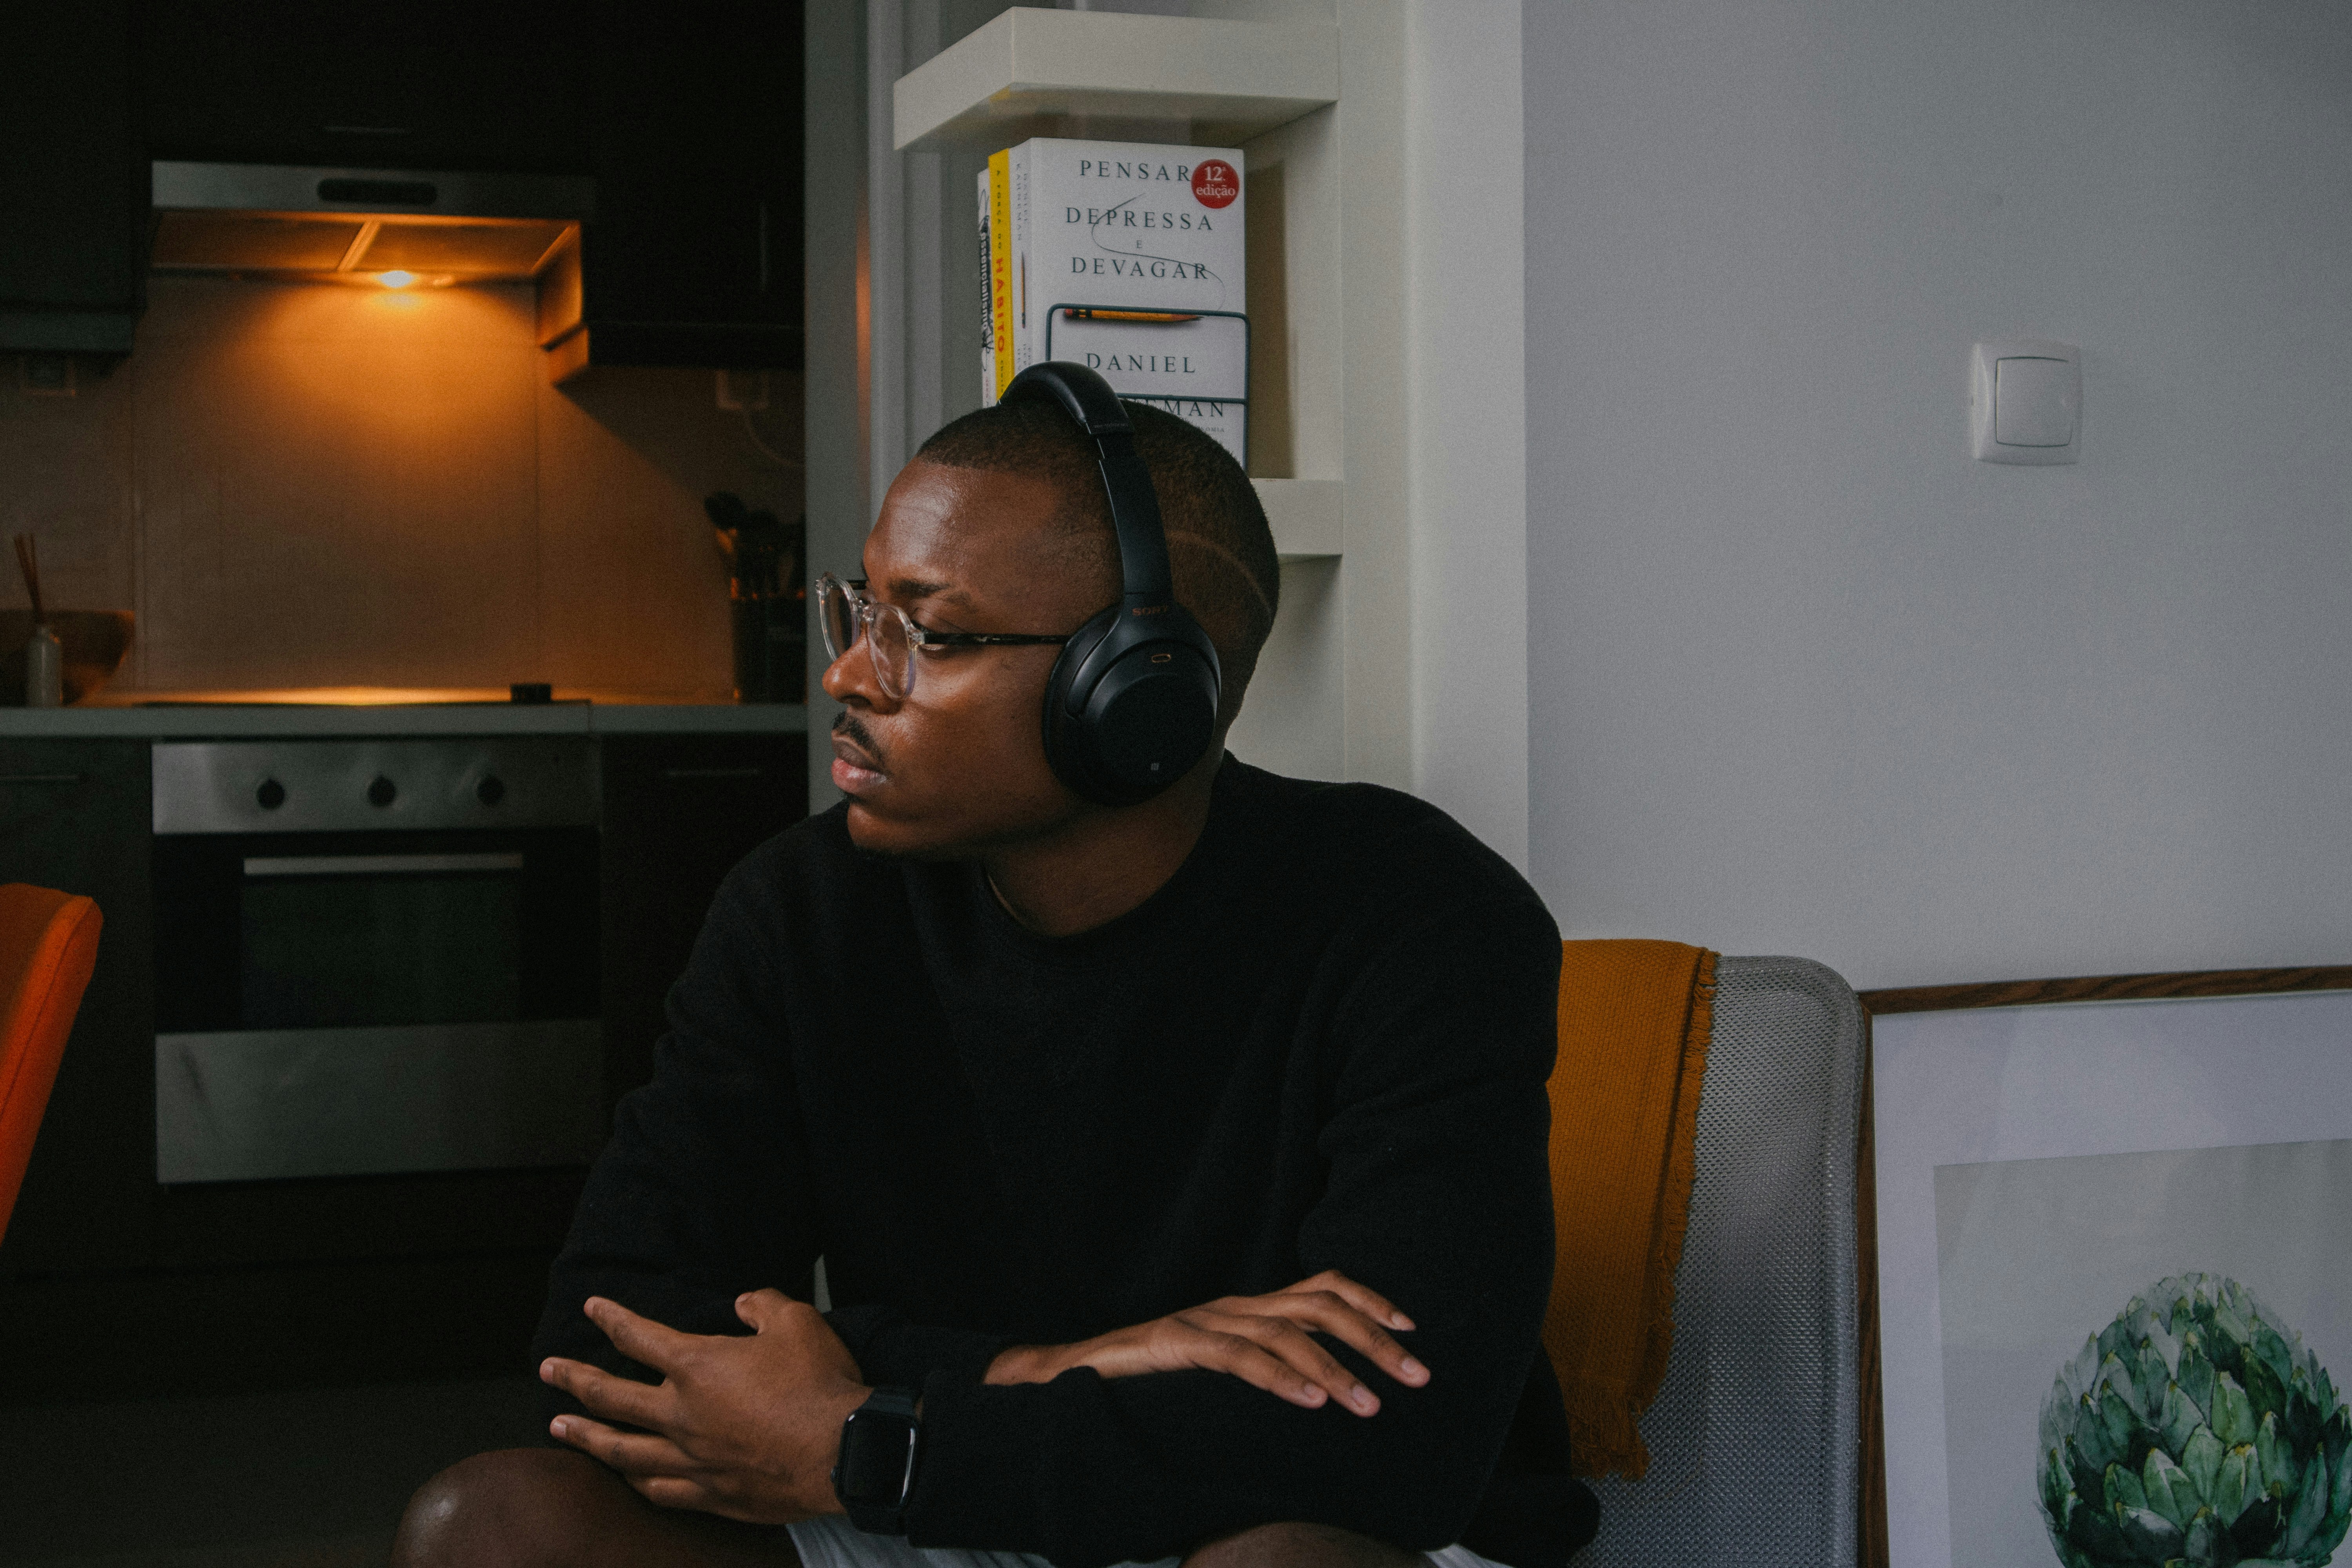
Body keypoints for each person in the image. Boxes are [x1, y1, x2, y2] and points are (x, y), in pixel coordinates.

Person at [392, 381, 1600, 1568]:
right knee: (487, 1527)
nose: (850, 677)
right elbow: (602, 1345)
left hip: (1259, 1516)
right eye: (863, 612)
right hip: (954, 1473)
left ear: (1137, 693)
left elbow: (1400, 1441)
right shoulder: (802, 907)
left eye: (932, 635)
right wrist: (1040, 1368)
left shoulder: (1414, 911)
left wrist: (880, 1441)